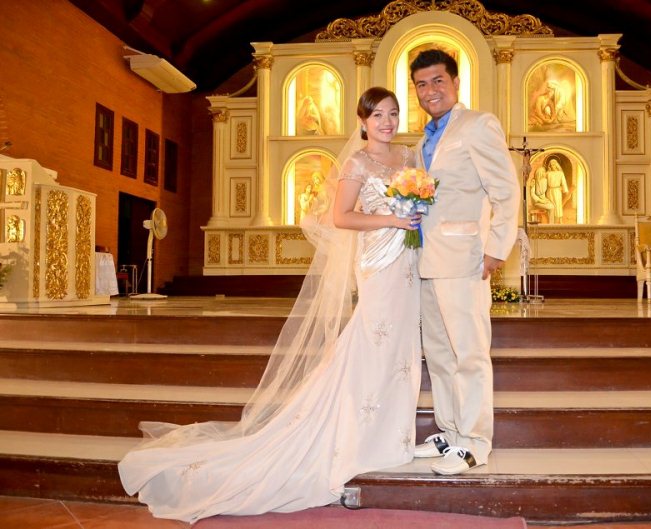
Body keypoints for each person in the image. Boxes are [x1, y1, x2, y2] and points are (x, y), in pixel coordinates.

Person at [117, 87, 423, 523]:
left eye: (393, 113)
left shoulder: (409, 157)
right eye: (377, 116)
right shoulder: (356, 162)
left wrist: (415, 216)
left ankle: (391, 433)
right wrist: (393, 218)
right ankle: (359, 433)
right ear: (363, 121)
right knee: (372, 340)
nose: (387, 122)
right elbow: (340, 217)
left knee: (399, 349)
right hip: (376, 260)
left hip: (407, 261)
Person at [410, 49, 520, 475]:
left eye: (438, 81)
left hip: (465, 258)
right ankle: (451, 432)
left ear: (455, 83)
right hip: (426, 260)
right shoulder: (422, 140)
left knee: (468, 353)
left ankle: (475, 443)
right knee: (438, 353)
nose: (430, 91)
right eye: (421, 84)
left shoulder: (477, 125)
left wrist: (497, 248)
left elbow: (505, 189)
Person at [544, 157, 569, 224]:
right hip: (549, 191)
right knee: (551, 205)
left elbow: (563, 182)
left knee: (558, 205)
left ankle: (560, 219)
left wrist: (566, 191)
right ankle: (551, 220)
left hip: (557, 191)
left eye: (554, 165)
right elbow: (544, 182)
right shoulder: (547, 173)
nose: (552, 166)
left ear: (556, 165)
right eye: (551, 165)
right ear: (550, 166)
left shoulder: (560, 173)